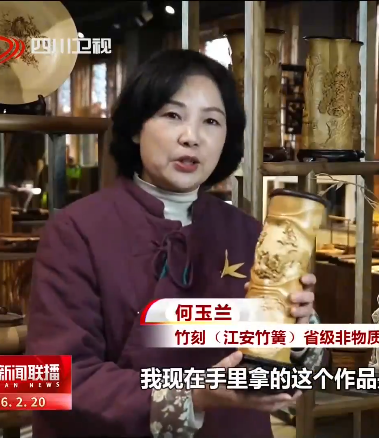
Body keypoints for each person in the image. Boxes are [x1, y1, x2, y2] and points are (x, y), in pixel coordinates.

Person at [26, 50, 322, 438]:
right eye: (172, 115)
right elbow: (60, 379)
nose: (191, 137)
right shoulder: (77, 231)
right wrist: (194, 396)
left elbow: (299, 370)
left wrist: (300, 334)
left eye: (211, 121)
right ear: (136, 128)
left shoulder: (249, 233)